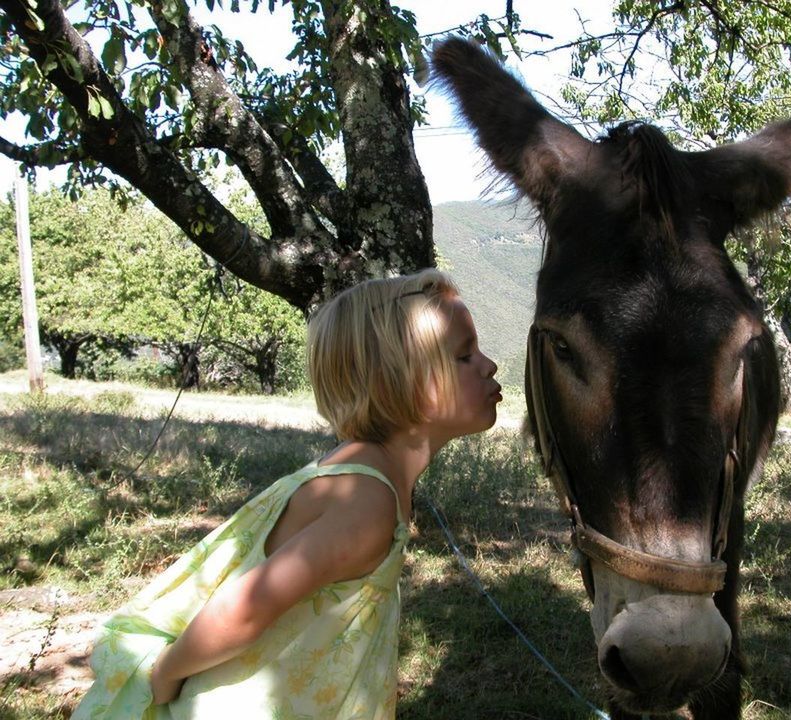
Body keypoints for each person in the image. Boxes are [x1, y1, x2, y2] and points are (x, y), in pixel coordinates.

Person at [71, 268, 501, 719]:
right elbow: (247, 604)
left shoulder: (365, 475)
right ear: (399, 380)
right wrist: (165, 673)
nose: (488, 364)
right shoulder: (365, 501)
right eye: (463, 355)